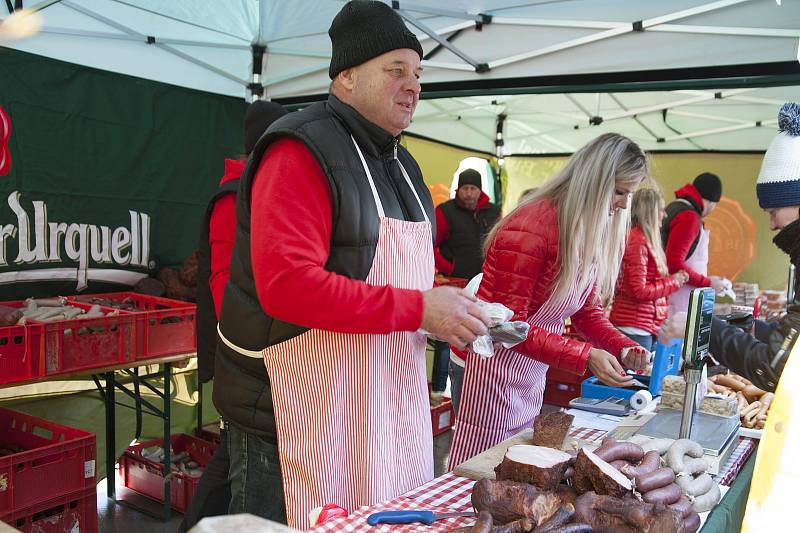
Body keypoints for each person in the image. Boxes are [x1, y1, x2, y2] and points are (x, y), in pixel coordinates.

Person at [213, 1, 490, 529]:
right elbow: (287, 287)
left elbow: (404, 277)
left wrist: (448, 314)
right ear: (345, 77)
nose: (413, 86)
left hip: (379, 411)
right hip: (295, 413)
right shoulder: (300, 149)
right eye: (396, 71)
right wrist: (418, 309)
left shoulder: (404, 165)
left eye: (418, 74)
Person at [447, 133, 651, 469]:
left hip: (529, 371)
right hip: (489, 369)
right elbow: (508, 327)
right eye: (619, 192)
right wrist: (585, 355)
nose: (623, 205)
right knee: (479, 469)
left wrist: (624, 346)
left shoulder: (585, 229)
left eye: (629, 194)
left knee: (511, 466)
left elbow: (587, 314)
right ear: (594, 182)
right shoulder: (531, 226)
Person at [178, 100, 287, 532]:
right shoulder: (233, 196)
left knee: (231, 458)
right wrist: (260, 337)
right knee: (238, 460)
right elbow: (224, 285)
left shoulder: (264, 189)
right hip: (244, 354)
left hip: (261, 355)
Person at [659, 103, 800, 393]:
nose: (772, 225)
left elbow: (775, 367)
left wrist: (701, 326)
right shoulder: (687, 215)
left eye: (773, 212)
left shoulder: (685, 216)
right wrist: (747, 325)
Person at [432, 168, 500, 410]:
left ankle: (477, 388)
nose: (469, 193)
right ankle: (439, 389)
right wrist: (448, 266)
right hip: (455, 283)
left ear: (480, 190)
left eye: (473, 188)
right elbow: (431, 244)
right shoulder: (445, 212)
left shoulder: (493, 212)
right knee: (445, 337)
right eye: (465, 188)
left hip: (485, 284)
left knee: (480, 333)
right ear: (458, 189)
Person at [609, 188, 688, 352]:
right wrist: (674, 281)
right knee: (633, 377)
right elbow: (639, 290)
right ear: (649, 212)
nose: (664, 215)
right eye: (661, 210)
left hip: (641, 327)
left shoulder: (642, 239)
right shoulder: (637, 241)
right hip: (634, 329)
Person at [661, 172, 731, 315]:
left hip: (672, 301)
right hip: (678, 306)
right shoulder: (689, 217)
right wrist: (708, 283)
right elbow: (674, 264)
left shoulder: (674, 207)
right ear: (712, 202)